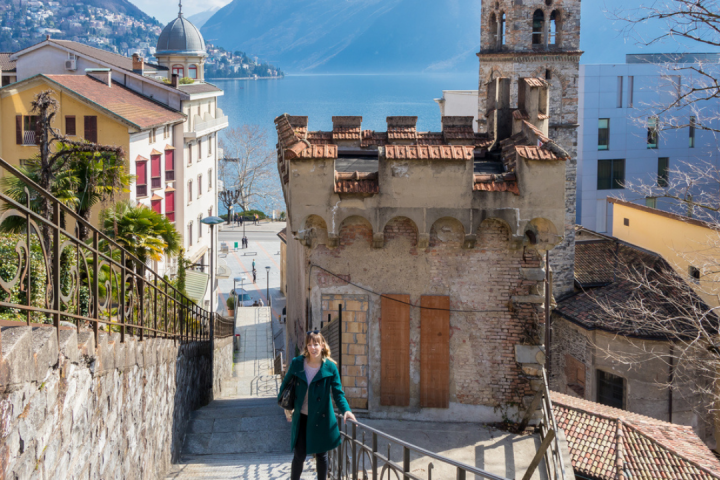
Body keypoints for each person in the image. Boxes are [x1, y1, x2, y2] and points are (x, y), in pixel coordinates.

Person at [278, 331, 356, 480]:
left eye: (316, 344)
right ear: (306, 346)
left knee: (321, 455)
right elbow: (285, 385)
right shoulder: (297, 363)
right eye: (309, 344)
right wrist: (286, 407)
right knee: (299, 455)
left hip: (321, 418)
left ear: (322, 345)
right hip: (301, 417)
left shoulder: (330, 368)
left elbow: (338, 393)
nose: (313, 347)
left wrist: (346, 410)